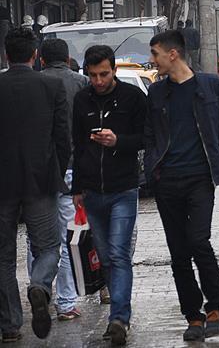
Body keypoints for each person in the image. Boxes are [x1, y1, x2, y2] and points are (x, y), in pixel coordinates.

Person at [145, 30, 219, 342]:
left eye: (156, 54)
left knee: (198, 241)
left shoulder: (210, 85)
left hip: (201, 179)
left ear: (172, 54)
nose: (153, 61)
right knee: (178, 253)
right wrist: (152, 169)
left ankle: (215, 307)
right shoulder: (157, 93)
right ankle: (193, 315)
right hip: (167, 182)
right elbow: (149, 135)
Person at [71, 44, 146, 345]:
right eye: (93, 75)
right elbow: (77, 145)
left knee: (118, 252)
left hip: (123, 188)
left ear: (114, 70)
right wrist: (76, 188)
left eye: (104, 74)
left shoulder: (132, 98)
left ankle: (119, 318)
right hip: (92, 190)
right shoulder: (81, 100)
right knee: (105, 257)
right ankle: (117, 313)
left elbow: (146, 138)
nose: (99, 81)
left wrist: (117, 141)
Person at [0, 28, 70, 342]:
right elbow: (62, 138)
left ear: (6, 55)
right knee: (49, 247)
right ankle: (40, 285)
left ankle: (11, 324)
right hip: (41, 180)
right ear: (34, 56)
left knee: (2, 256)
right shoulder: (51, 86)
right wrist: (59, 171)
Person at [32, 39, 88, 323]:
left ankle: (39, 288)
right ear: (68, 60)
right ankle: (66, 303)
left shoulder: (33, 83)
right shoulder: (81, 84)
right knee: (67, 239)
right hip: (71, 170)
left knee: (38, 239)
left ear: (41, 59)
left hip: (37, 173)